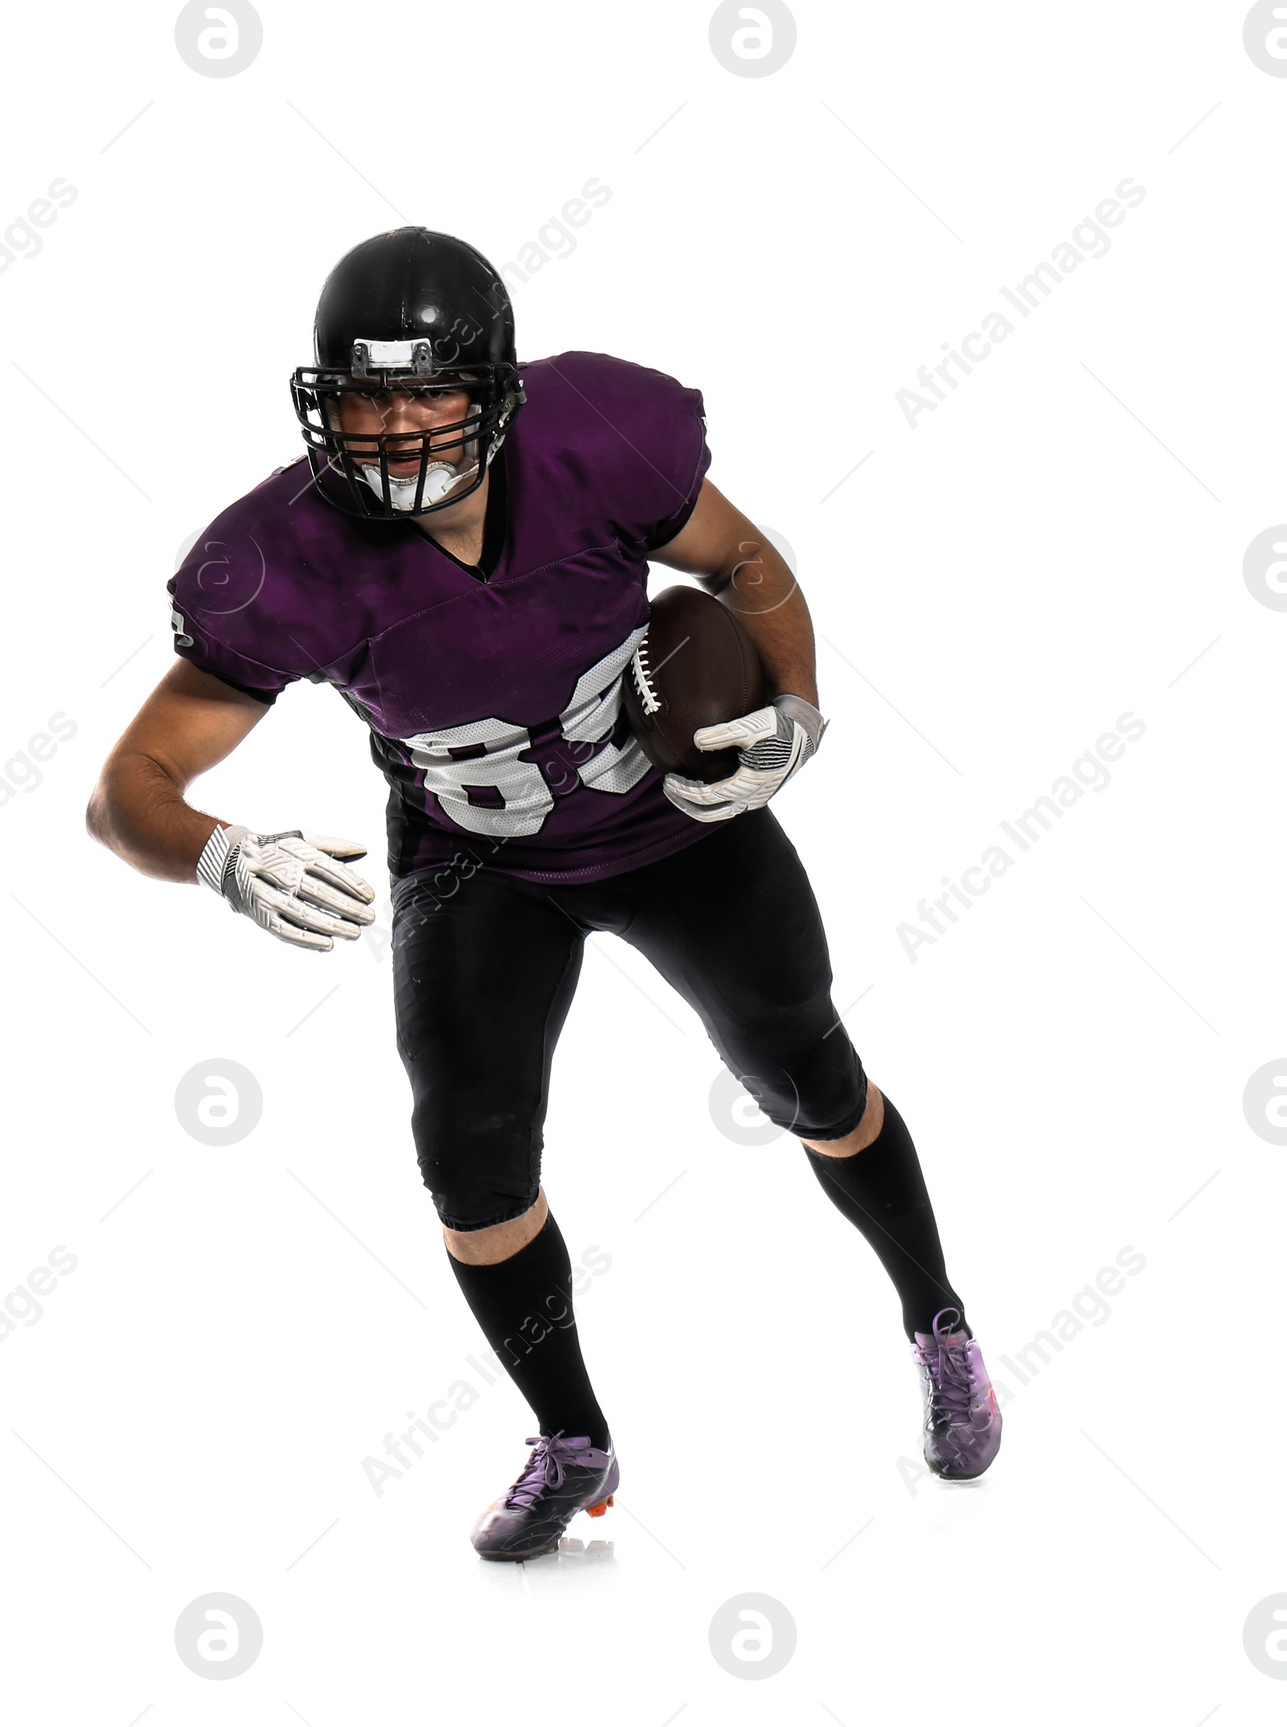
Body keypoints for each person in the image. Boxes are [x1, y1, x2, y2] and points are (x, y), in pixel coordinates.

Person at [86, 226, 1001, 1563]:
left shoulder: (597, 434)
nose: (396, 426)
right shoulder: (278, 552)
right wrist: (218, 851)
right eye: (365, 394)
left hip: (673, 824)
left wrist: (796, 706)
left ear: (500, 392)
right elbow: (129, 788)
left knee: (810, 1078)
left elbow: (742, 565)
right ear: (320, 401)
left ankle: (940, 1322)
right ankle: (573, 1438)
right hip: (478, 860)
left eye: (430, 391)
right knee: (468, 1159)